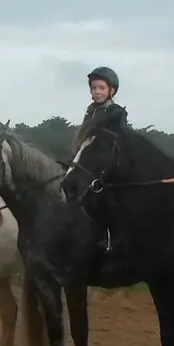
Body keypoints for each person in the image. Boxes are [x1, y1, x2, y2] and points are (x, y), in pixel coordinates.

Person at [73, 66, 131, 275]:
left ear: (111, 91)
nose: (97, 91)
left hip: (109, 166)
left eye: (101, 88)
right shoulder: (91, 111)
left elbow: (117, 141)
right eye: (94, 88)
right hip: (90, 164)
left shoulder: (116, 112)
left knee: (105, 199)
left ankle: (113, 239)